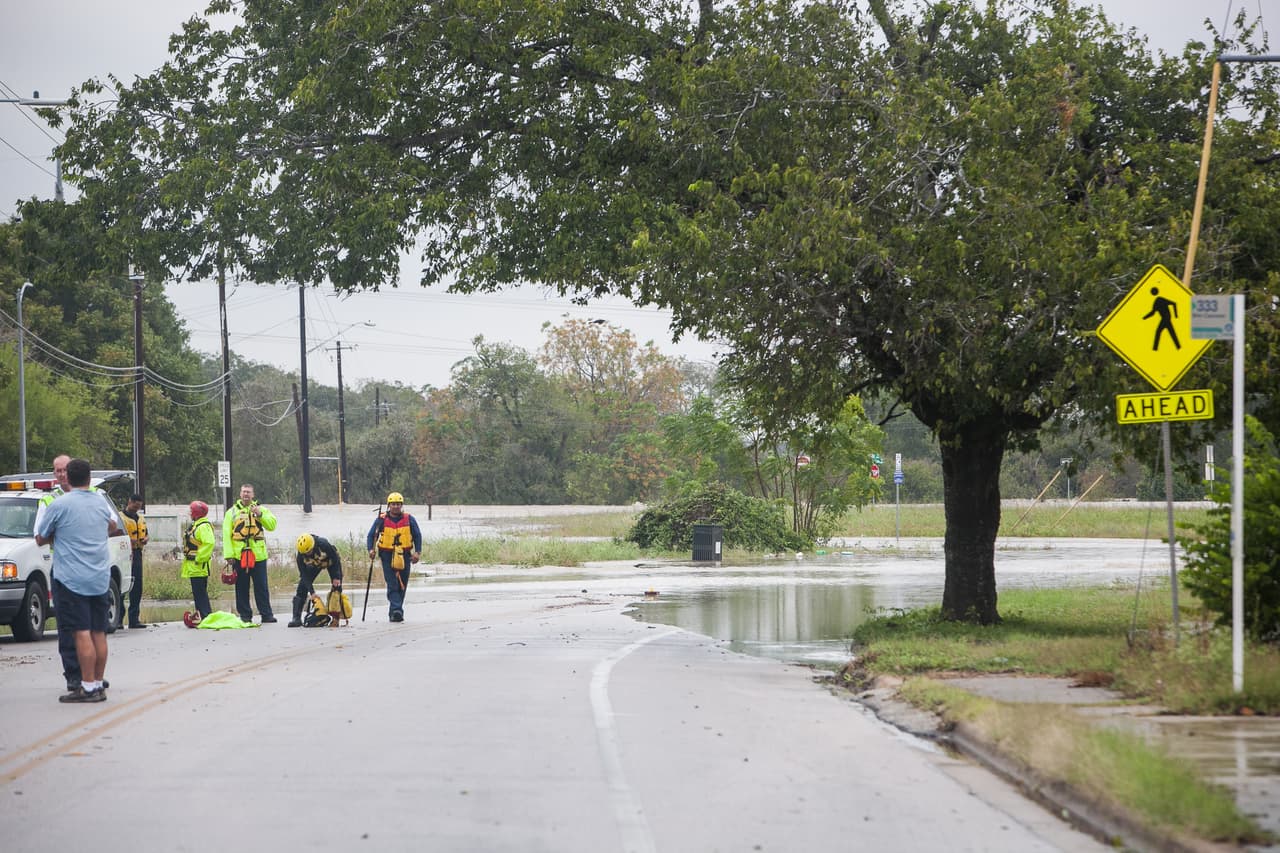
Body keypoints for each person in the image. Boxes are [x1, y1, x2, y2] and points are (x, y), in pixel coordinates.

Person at [34, 458, 120, 703]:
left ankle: (88, 687)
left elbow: (41, 538)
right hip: (99, 576)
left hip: (71, 579)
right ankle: (98, 683)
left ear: (68, 478)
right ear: (89, 478)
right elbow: (112, 526)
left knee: (81, 631)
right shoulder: (100, 502)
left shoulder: (59, 504)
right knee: (98, 632)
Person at [222, 483, 278, 624]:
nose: (246, 494)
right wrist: (228, 555)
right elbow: (226, 534)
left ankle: (266, 615)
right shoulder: (231, 513)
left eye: (248, 492)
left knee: (261, 587)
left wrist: (260, 515)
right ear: (240, 494)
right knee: (241, 586)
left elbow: (272, 525)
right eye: (243, 492)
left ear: (253, 495)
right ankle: (245, 616)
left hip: (258, 555)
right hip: (239, 556)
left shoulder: (261, 509)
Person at [366, 492, 422, 623]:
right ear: (389, 505)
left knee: (402, 584)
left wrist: (417, 553)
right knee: (392, 584)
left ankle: (394, 612)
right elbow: (370, 536)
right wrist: (370, 549)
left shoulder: (409, 519)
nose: (396, 507)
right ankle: (397, 610)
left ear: (401, 505)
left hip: (405, 554)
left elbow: (417, 535)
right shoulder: (381, 519)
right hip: (387, 555)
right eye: (393, 504)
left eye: (398, 504)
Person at [290, 533, 344, 627]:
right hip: (315, 564)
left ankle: (336, 618)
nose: (306, 554)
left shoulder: (323, 543)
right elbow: (304, 575)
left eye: (308, 552)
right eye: (304, 553)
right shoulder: (300, 555)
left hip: (331, 562)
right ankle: (296, 618)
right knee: (302, 587)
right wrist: (312, 592)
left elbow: (335, 559)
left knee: (336, 587)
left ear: (313, 546)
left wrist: (337, 577)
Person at [181, 501, 216, 622]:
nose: (189, 513)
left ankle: (206, 616)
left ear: (196, 513)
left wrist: (198, 559)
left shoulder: (203, 526)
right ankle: (201, 615)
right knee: (198, 593)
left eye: (191, 511)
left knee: (200, 593)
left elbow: (209, 543)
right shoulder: (197, 525)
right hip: (194, 566)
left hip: (198, 566)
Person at [122, 493, 149, 628]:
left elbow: (146, 533)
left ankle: (134, 619)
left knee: (137, 586)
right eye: (134, 506)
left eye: (138, 507)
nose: (136, 509)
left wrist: (146, 539)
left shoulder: (140, 518)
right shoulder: (120, 518)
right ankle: (118, 620)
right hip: (123, 555)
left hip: (137, 554)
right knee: (122, 585)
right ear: (129, 502)